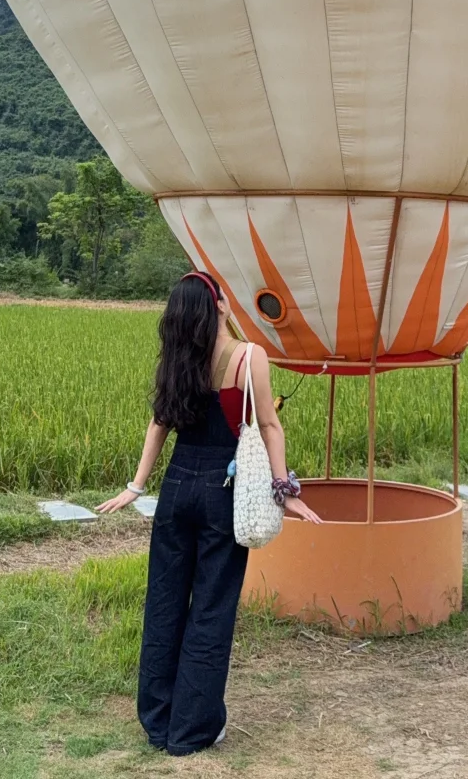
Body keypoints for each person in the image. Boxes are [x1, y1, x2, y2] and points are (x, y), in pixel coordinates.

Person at [97, 271, 321, 755]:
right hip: (225, 492)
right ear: (219, 305)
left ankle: (158, 722)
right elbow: (269, 426)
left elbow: (159, 423)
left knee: (165, 602)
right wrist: (285, 491)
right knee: (211, 609)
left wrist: (137, 486)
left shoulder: (177, 359)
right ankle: (193, 730)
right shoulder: (248, 357)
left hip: (177, 489)